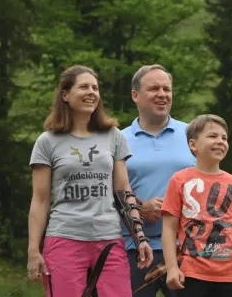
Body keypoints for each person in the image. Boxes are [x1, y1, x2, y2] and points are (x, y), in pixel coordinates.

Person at [27, 65, 154, 297]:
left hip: (109, 239)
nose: (91, 92)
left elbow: (123, 191)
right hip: (64, 238)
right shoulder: (47, 141)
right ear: (65, 94)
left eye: (95, 88)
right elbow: (40, 200)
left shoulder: (114, 136)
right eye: (84, 87)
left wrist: (140, 237)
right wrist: (33, 250)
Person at [160, 114, 232, 297]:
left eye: (224, 138)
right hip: (192, 274)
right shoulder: (179, 180)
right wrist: (172, 267)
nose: (220, 141)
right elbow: (168, 228)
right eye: (212, 136)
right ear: (193, 145)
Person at [122, 64, 196, 296]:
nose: (162, 94)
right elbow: (106, 194)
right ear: (135, 95)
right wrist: (139, 208)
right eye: (154, 88)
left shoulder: (193, 135)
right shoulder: (118, 140)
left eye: (167, 89)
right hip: (135, 249)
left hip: (187, 249)